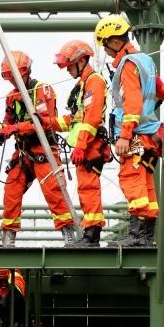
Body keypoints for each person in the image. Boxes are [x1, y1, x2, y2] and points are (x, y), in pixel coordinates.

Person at [94, 14, 164, 247]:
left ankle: (137, 236)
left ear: (115, 42)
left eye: (105, 44)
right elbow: (162, 91)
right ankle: (146, 235)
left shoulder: (127, 65)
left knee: (130, 177)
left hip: (136, 135)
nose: (105, 50)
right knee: (145, 182)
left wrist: (125, 135)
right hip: (151, 135)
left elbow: (132, 104)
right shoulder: (145, 60)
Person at [0, 51, 76, 248]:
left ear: (26, 72)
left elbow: (42, 122)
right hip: (23, 151)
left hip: (43, 149)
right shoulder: (11, 97)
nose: (14, 80)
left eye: (17, 75)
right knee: (11, 191)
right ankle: (8, 237)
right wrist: (2, 131)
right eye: (10, 76)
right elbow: (7, 121)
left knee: (54, 191)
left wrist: (15, 128)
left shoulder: (42, 90)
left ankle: (69, 234)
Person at [52, 40, 112, 248]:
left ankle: (92, 234)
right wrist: (48, 123)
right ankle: (90, 231)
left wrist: (81, 145)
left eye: (69, 65)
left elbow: (92, 118)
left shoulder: (94, 81)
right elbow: (76, 119)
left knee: (89, 187)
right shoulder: (82, 85)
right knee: (85, 187)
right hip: (85, 144)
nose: (68, 70)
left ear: (81, 61)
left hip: (90, 145)